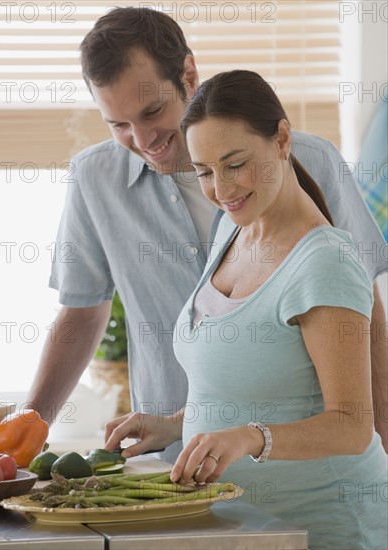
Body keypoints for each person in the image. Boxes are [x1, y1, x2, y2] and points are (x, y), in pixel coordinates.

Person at [27, 7, 388, 461]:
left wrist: (383, 450)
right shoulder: (94, 179)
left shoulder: (309, 160)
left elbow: (366, 313)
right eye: (118, 125)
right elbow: (80, 317)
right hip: (168, 464)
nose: (142, 140)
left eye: (152, 111)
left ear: (189, 75)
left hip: (303, 468)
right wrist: (23, 437)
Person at [103, 70, 388, 550]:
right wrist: (174, 424)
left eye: (235, 164)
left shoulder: (324, 261)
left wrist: (248, 439)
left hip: (324, 530)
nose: (221, 188)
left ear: (281, 139)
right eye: (205, 171)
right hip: (247, 528)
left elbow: (352, 425)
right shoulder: (233, 230)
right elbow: (260, 388)